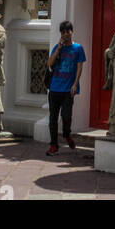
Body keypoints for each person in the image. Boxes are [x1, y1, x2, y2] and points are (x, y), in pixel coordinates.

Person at [46, 20, 85, 155]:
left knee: (66, 116)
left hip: (68, 90)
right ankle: (54, 145)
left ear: (72, 32)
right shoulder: (58, 47)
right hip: (54, 89)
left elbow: (80, 67)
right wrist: (58, 49)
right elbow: (50, 64)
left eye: (68, 31)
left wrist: (75, 84)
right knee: (53, 118)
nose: (66, 34)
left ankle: (67, 134)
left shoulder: (78, 48)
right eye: (63, 32)